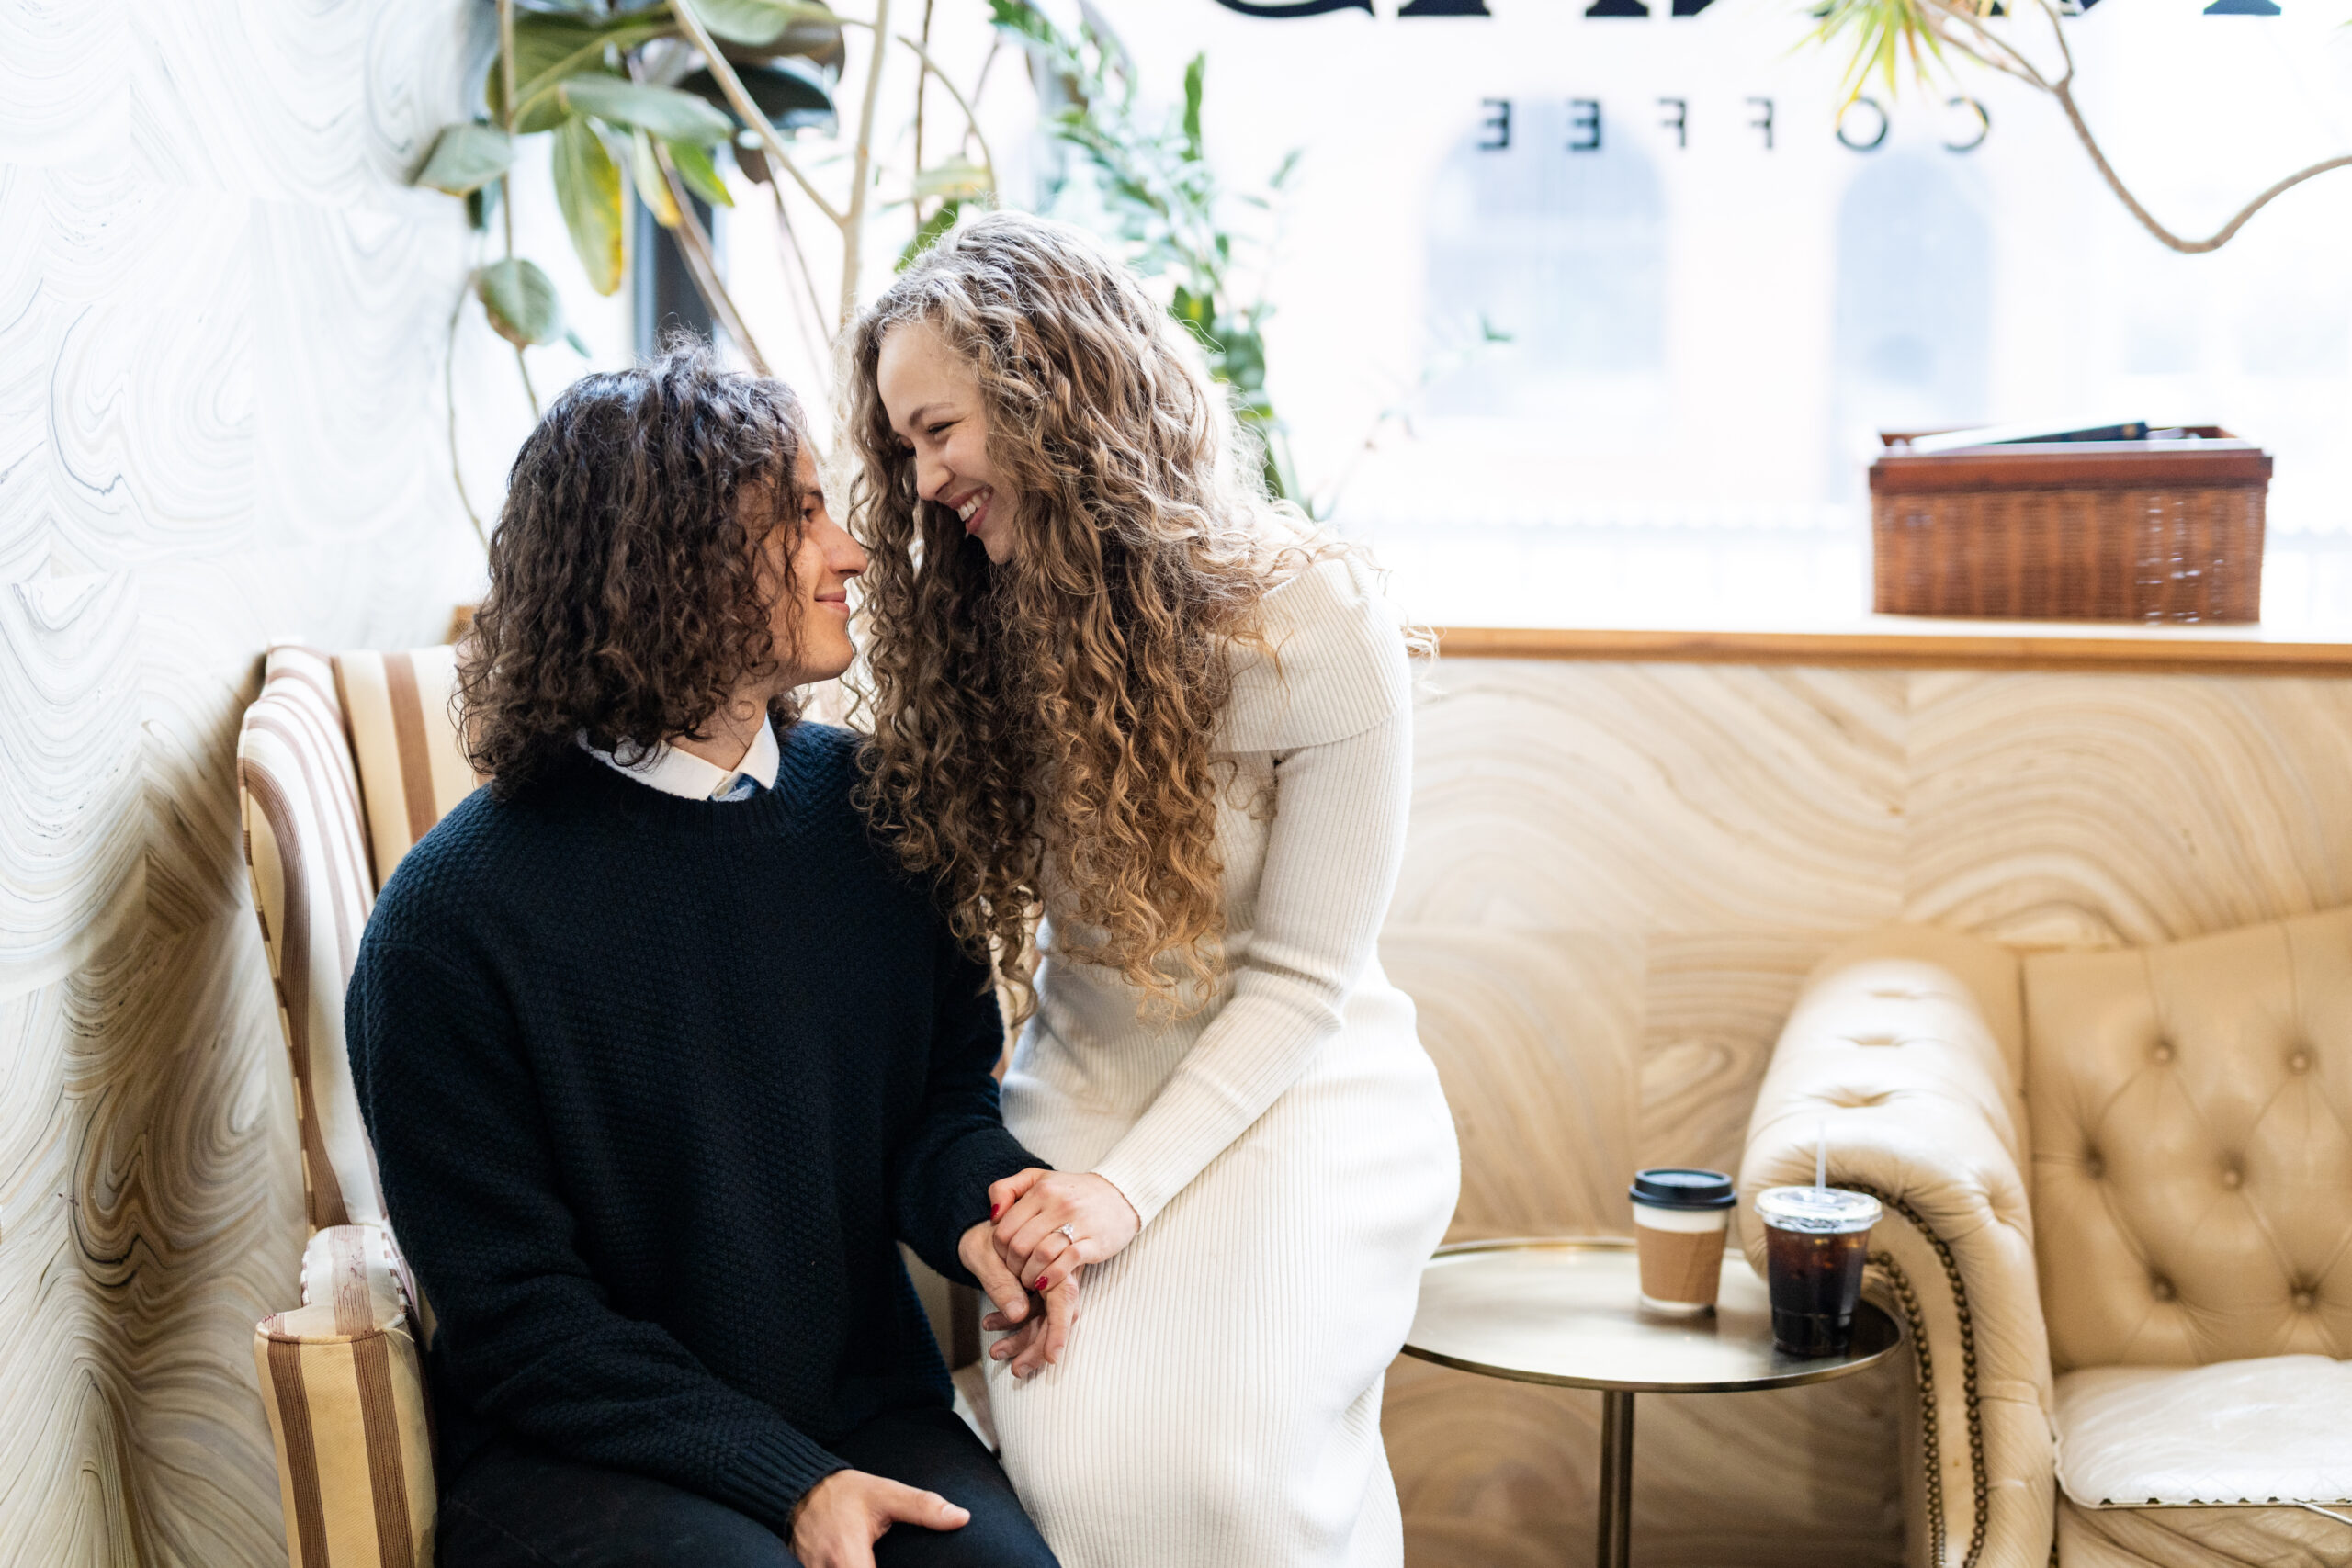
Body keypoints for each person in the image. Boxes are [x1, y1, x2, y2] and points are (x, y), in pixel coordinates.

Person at [345, 347, 1065, 1568]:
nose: (848, 553)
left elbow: (936, 1110)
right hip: (586, 1454)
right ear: (669, 562)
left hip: (859, 1403)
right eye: (798, 513)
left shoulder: (887, 813)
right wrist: (794, 1483)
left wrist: (981, 1220)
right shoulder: (449, 923)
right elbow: (523, 1326)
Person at [846, 212, 1462, 1568]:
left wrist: (1126, 1194)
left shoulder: (1320, 619)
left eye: (938, 428)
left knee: (1242, 1479)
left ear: (1049, 384)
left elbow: (1300, 982)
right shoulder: (979, 624)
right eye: (903, 447)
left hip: (1300, 1092)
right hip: (1083, 1079)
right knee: (1085, 1488)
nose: (924, 475)